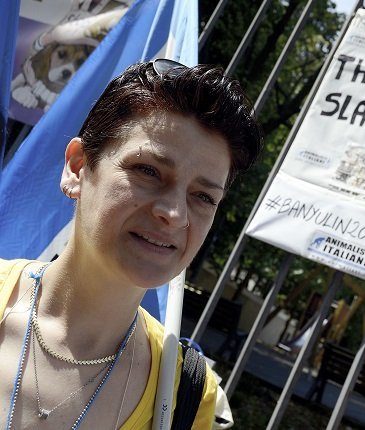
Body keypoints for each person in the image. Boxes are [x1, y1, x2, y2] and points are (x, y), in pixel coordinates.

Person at [1, 60, 261, 429]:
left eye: (203, 196)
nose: (174, 213)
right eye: (148, 171)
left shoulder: (187, 399)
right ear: (78, 168)